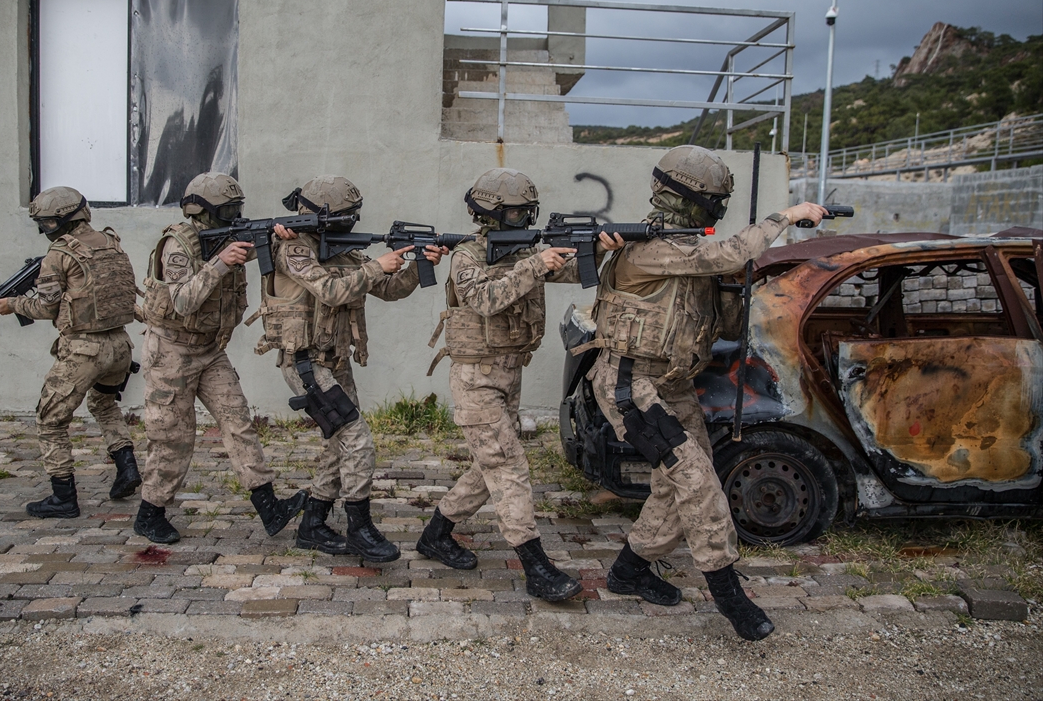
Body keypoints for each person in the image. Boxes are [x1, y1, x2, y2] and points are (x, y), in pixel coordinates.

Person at [580, 145, 826, 640]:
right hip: (632, 385)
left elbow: (722, 302)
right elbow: (726, 251)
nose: (715, 209)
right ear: (684, 198)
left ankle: (628, 570)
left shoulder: (687, 248)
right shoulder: (649, 247)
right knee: (697, 482)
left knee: (680, 482)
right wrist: (789, 214)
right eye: (710, 200)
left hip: (671, 383)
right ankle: (729, 595)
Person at [415, 168, 622, 602]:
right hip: (475, 376)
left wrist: (597, 249)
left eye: (528, 211)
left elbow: (564, 273)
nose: (523, 218)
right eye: (515, 211)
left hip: (509, 372)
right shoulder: (467, 256)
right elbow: (484, 300)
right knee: (508, 465)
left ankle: (436, 534)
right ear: (491, 211)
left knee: (488, 463)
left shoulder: (524, 249)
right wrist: (534, 263)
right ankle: (535, 565)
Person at [254, 176, 443, 562]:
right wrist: (377, 266)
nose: (351, 222)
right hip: (305, 363)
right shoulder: (294, 248)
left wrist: (415, 265)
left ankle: (313, 524)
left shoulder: (340, 249)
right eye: (343, 216)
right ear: (322, 217)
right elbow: (330, 290)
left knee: (338, 446)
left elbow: (389, 289)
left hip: (335, 359)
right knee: (358, 443)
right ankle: (360, 530)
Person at [133, 172, 306, 544]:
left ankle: (269, 506)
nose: (233, 216)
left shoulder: (228, 237)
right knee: (173, 436)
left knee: (238, 421)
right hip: (171, 351)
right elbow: (182, 301)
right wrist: (221, 263)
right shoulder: (178, 245)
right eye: (225, 210)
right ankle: (151, 513)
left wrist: (280, 237)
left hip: (210, 350)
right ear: (202, 211)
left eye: (236, 209)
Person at [0, 186, 142, 518]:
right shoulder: (111, 243)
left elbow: (46, 307)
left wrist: (12, 304)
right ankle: (127, 469)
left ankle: (63, 498)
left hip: (84, 351)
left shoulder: (59, 254)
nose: (45, 230)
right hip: (120, 346)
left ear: (60, 221)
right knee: (103, 405)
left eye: (46, 224)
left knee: (50, 420)